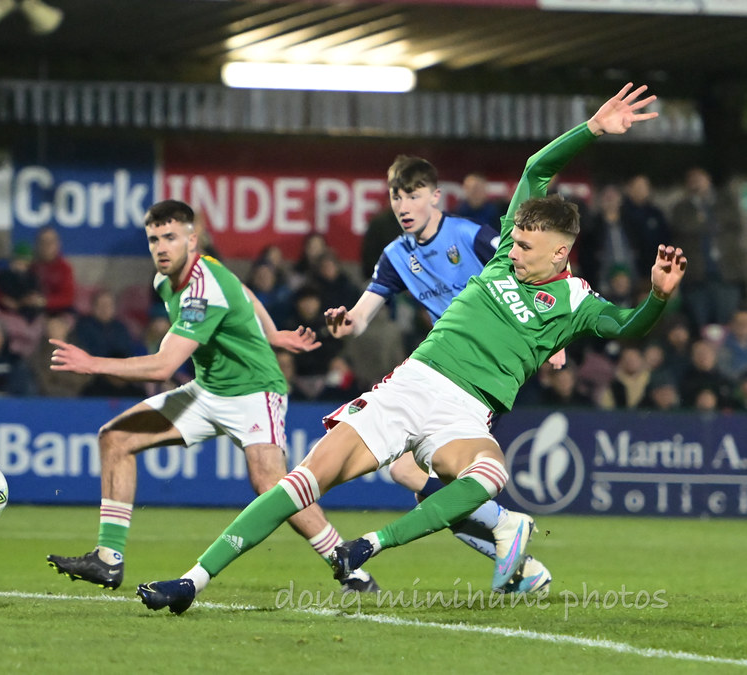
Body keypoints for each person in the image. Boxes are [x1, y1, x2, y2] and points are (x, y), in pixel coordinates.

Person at [136, 83, 686, 615]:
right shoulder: (493, 261)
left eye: (523, 245)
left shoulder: (577, 302)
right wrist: (592, 128)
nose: (511, 249)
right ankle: (191, 581)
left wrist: (657, 298)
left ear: (560, 251)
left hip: (467, 412)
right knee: (301, 482)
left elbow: (628, 327)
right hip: (412, 383)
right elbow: (535, 171)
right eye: (513, 239)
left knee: (489, 476)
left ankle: (398, 540)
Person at [45, 199, 379, 595]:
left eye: (170, 237)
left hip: (256, 392)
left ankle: (352, 571)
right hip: (207, 392)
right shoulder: (168, 280)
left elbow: (163, 366)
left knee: (271, 483)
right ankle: (108, 559)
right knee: (115, 437)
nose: (160, 247)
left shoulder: (203, 291)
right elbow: (245, 290)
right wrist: (272, 333)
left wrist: (92, 363)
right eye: (153, 239)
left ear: (193, 239)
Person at [321, 152, 552, 592]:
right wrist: (343, 322)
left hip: (483, 372)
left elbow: (531, 269)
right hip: (443, 374)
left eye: (413, 194)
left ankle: (510, 535)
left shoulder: (471, 236)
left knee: (425, 477)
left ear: (436, 197)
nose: (404, 205)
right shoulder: (395, 255)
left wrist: (548, 336)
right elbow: (363, 315)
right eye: (396, 196)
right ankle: (521, 562)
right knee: (419, 479)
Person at [668, 166, 746, 333]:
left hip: (726, 275)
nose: (696, 183)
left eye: (700, 178)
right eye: (692, 179)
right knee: (700, 327)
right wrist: (711, 225)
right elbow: (682, 227)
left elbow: (736, 224)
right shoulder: (681, 208)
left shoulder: (725, 203)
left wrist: (704, 223)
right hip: (696, 278)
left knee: (726, 326)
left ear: (708, 179)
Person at [30, 225, 76, 317]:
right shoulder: (31, 266)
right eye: (43, 242)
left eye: (51, 242)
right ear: (37, 244)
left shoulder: (64, 268)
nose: (47, 246)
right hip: (33, 311)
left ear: (58, 244)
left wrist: (45, 301)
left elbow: (68, 298)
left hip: (59, 312)